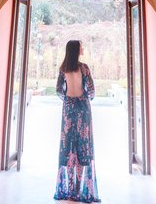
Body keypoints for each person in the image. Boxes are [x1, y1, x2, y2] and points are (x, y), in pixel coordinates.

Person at [54, 40, 101, 203]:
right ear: (76, 50)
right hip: (83, 108)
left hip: (68, 109)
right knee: (82, 146)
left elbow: (58, 90)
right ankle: (80, 188)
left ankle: (70, 189)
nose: (83, 48)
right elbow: (91, 90)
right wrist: (85, 97)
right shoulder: (84, 68)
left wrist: (68, 99)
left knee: (68, 147)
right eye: (81, 46)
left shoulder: (63, 68)